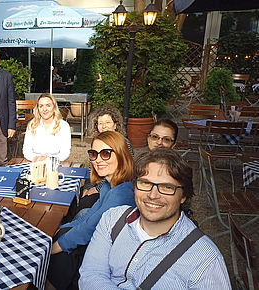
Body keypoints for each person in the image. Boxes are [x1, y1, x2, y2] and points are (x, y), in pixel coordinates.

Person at [79, 148, 231, 289]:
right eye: (145, 183)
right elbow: (91, 274)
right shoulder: (112, 219)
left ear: (184, 195)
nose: (152, 195)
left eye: (166, 187)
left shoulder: (206, 260)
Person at [47, 131, 135, 290]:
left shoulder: (121, 194)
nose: (98, 160)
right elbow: (90, 216)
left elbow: (89, 229)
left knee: (60, 253)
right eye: (94, 154)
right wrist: (64, 228)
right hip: (101, 239)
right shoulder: (109, 185)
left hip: (110, 254)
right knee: (62, 234)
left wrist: (53, 248)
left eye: (106, 153)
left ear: (121, 155)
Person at [22, 93, 71, 162]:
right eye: (41, 106)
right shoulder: (32, 125)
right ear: (38, 109)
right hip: (35, 163)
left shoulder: (63, 126)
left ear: (54, 107)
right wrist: (36, 159)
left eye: (48, 106)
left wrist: (49, 160)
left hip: (56, 163)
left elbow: (65, 152)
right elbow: (26, 150)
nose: (44, 109)